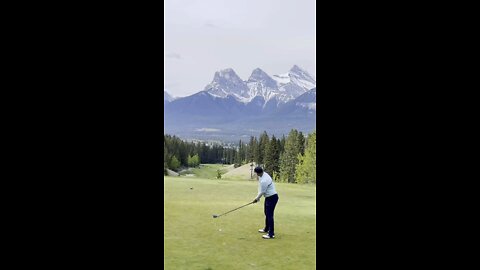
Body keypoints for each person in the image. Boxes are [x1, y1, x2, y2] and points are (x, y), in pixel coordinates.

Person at [252, 166, 279, 239]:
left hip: (272, 198)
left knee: (269, 215)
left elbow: (263, 191)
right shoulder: (262, 175)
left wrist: (256, 198)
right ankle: (266, 229)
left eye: (256, 173)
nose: (256, 175)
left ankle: (271, 234)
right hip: (268, 197)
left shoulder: (265, 180)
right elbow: (260, 188)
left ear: (258, 173)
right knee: (266, 213)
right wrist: (257, 198)